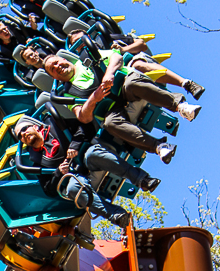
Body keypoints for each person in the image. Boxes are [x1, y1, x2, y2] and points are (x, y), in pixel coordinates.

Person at [43, 52, 203, 164]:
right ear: (54, 77)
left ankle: (180, 106)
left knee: (132, 83)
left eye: (57, 62)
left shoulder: (87, 56)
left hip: (123, 85)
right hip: (110, 106)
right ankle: (159, 146)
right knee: (110, 123)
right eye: (53, 69)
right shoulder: (66, 93)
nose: (58, 66)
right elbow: (83, 117)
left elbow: (116, 57)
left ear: (63, 59)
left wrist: (109, 73)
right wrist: (94, 98)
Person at [14, 115, 161, 228]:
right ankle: (116, 215)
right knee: (72, 188)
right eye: (20, 136)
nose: (23, 135)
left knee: (95, 154)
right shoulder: (37, 162)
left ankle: (142, 180)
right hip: (73, 177)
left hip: (84, 157)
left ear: (34, 126)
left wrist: (74, 145)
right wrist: (58, 172)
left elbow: (84, 127)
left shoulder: (56, 124)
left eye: (24, 129)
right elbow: (48, 189)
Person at [68, 29, 205, 100]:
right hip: (117, 83)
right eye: (77, 45)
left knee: (137, 65)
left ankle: (186, 83)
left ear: (89, 38)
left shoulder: (105, 39)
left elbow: (141, 44)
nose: (82, 45)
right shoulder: (82, 65)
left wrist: (122, 50)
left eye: (82, 40)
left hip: (130, 62)